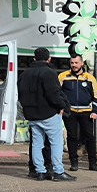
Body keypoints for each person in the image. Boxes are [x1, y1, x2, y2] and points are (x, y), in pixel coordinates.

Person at [18, 47, 76, 181]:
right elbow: (53, 93)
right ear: (49, 59)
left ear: (34, 59)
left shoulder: (24, 74)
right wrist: (63, 106)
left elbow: (21, 94)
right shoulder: (49, 73)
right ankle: (58, 171)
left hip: (31, 114)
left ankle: (40, 171)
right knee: (56, 142)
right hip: (49, 113)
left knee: (37, 143)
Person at [58, 54, 97, 171]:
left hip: (86, 112)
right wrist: (61, 108)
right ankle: (74, 162)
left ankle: (93, 163)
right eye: (72, 63)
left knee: (89, 137)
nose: (74, 65)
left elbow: (96, 96)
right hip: (69, 112)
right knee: (72, 137)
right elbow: (57, 93)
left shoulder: (90, 78)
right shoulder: (63, 76)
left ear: (82, 63)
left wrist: (95, 110)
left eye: (76, 63)